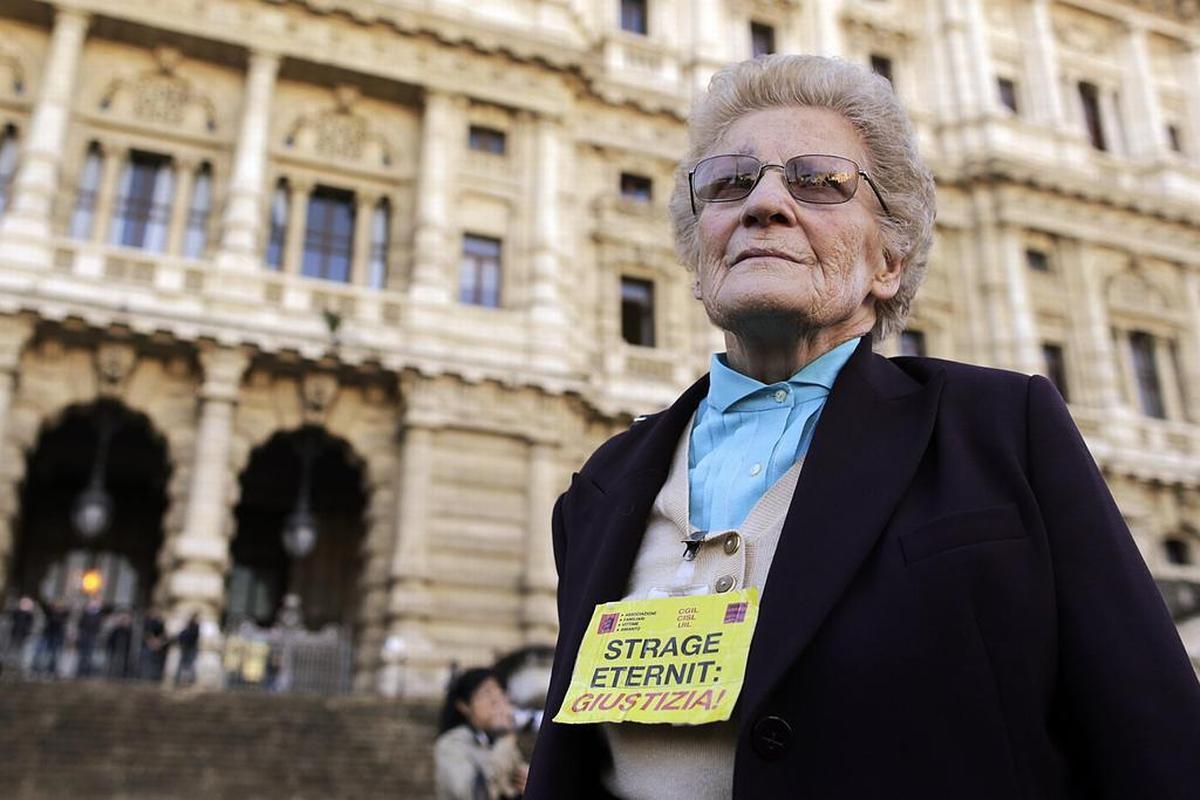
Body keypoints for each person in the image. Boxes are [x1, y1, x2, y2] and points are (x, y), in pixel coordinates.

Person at [525, 54, 1200, 799]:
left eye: (819, 181)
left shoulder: (1004, 432)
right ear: (699, 257)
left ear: (890, 261)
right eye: (729, 183)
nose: (764, 205)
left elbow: (1153, 742)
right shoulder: (598, 488)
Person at [435, 667, 528, 800]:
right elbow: (474, 794)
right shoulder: (452, 744)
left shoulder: (500, 741)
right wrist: (506, 737)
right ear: (464, 706)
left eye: (500, 693)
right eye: (486, 694)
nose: (496, 701)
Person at [32, 600, 67, 678]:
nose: (58, 606)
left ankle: (51, 670)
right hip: (47, 634)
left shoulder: (64, 614)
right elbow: (44, 606)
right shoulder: (50, 612)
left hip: (57, 636)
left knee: (54, 655)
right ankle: (36, 669)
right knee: (40, 653)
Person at [74, 598, 104, 678]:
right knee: (82, 654)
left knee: (89, 655)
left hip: (92, 637)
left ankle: (86, 671)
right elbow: (80, 624)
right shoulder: (85, 613)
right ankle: (79, 671)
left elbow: (98, 626)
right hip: (84, 636)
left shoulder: (99, 615)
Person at [173, 613, 201, 687]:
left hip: (189, 648)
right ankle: (181, 680)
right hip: (187, 648)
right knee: (186, 665)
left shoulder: (194, 627)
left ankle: (187, 680)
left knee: (189, 665)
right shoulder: (192, 627)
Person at [104, 609, 133, 679]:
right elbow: (110, 639)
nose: (125, 621)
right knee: (113, 665)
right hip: (114, 650)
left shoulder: (130, 630)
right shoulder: (116, 629)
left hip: (125, 652)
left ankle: (122, 677)